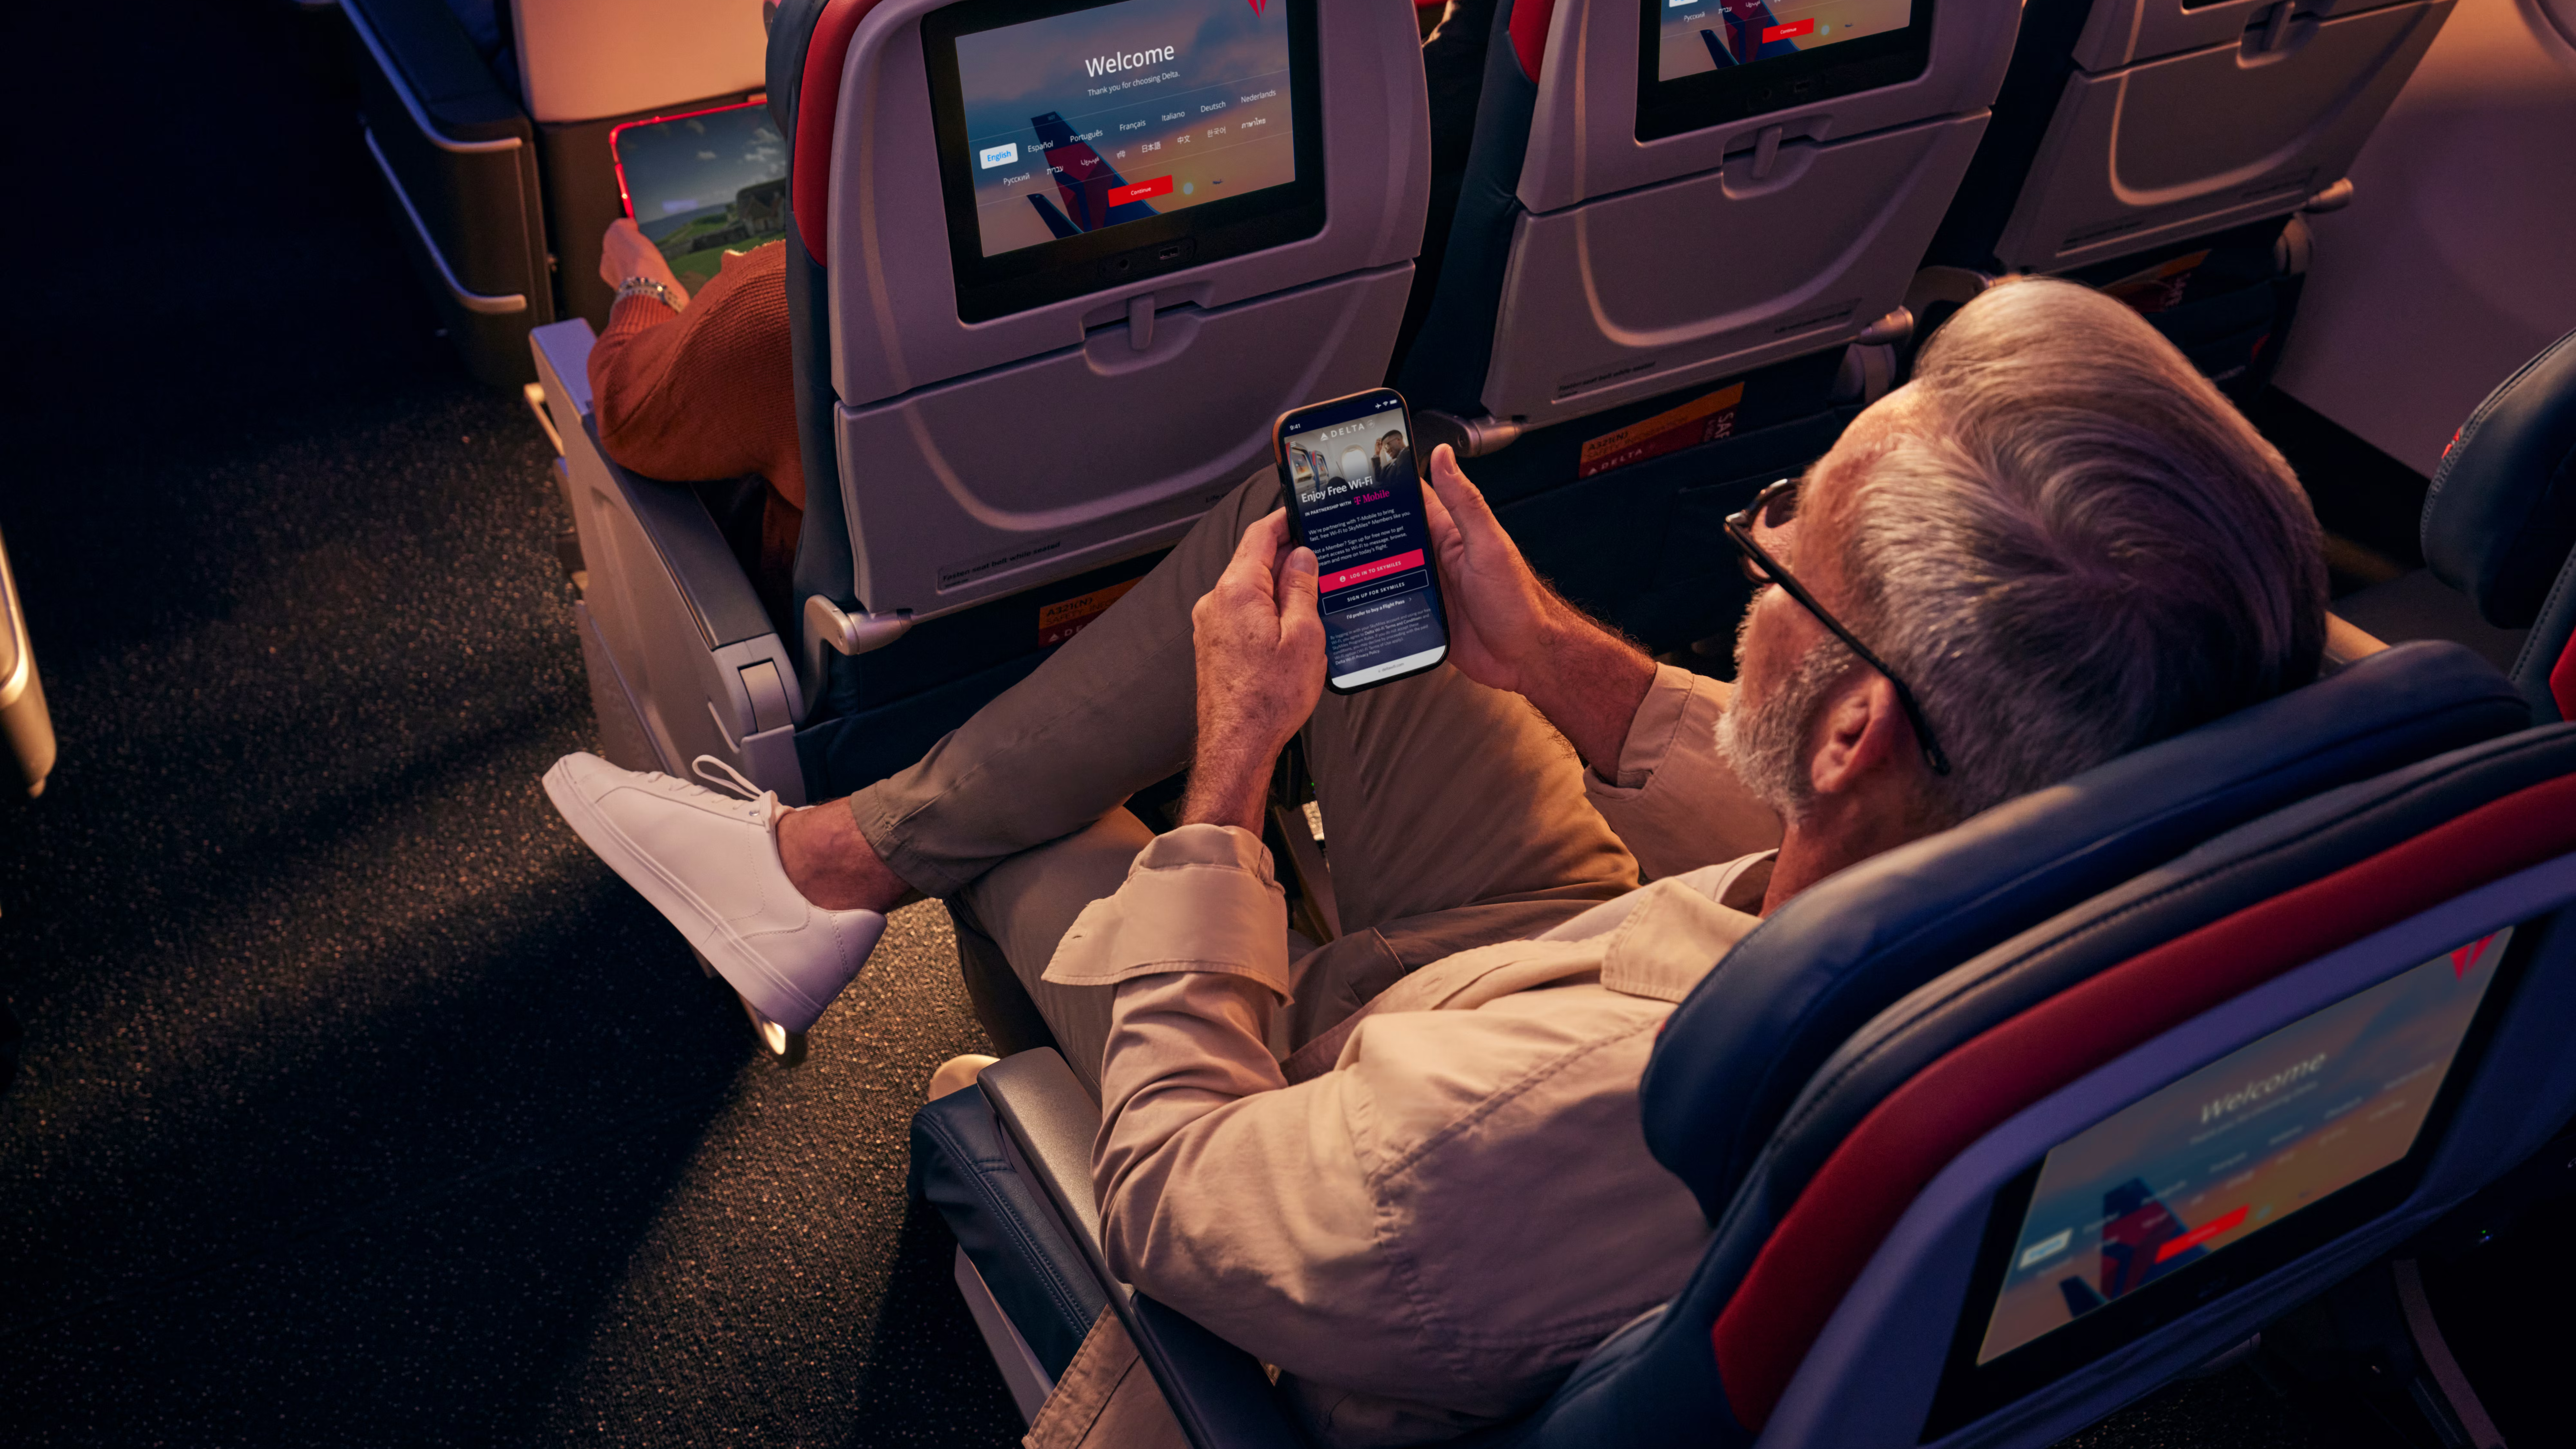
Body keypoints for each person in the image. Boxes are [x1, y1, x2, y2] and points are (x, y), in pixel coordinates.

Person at [539, 279, 2326, 1446]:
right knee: (1336, 504)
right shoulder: (2088, 819)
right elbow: (1838, 828)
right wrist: (1555, 659)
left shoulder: (1519, 1135)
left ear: (1856, 732)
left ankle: (835, 875)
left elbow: (1183, 1189)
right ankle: (832, 863)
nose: (1757, 544)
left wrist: (1231, 774)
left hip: (1376, 1134)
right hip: (1595, 949)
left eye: (1784, 549)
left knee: (1068, 843)